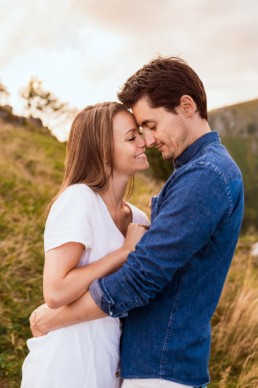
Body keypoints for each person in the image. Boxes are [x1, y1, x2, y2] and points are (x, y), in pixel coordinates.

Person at [30, 57, 244, 388]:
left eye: (151, 126)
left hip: (159, 366)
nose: (147, 140)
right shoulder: (194, 173)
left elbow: (142, 276)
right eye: (136, 133)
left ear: (186, 106)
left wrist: (56, 317)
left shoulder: (205, 174)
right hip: (108, 364)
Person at [21, 101, 150, 388]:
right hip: (66, 366)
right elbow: (55, 291)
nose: (144, 141)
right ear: (103, 151)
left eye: (139, 132)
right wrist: (123, 253)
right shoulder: (79, 200)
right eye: (131, 137)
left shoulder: (138, 217)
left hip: (109, 366)